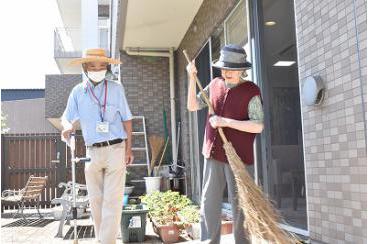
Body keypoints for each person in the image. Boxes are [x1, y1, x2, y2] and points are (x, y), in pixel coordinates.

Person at [186, 44, 264, 244]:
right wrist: (191, 79)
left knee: (241, 206)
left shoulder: (251, 90)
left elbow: (258, 126)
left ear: (242, 70)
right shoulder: (214, 85)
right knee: (208, 204)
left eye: (232, 69)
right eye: (224, 68)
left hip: (239, 157)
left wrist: (226, 122)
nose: (227, 72)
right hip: (212, 154)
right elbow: (192, 106)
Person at [61, 48, 133, 244]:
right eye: (93, 66)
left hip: (116, 148)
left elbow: (127, 120)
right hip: (91, 151)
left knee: (113, 199)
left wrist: (129, 148)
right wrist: (67, 127)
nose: (98, 69)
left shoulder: (116, 88)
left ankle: (105, 242)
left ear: (107, 68)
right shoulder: (77, 91)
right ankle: (104, 239)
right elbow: (66, 118)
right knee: (96, 201)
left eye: (102, 66)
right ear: (85, 68)